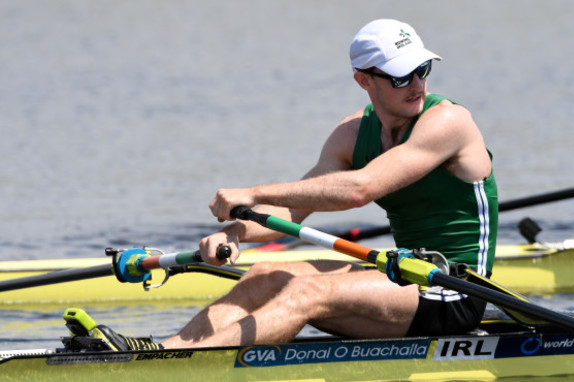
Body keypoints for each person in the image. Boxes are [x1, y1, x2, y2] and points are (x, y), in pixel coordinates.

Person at [88, 18, 498, 350]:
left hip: (455, 288)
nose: (417, 84)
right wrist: (231, 232)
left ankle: (178, 362)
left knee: (305, 292)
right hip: (405, 277)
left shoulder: (448, 121)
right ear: (364, 80)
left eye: (422, 69)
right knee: (265, 274)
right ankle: (162, 353)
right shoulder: (352, 135)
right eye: (400, 76)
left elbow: (360, 190)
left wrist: (255, 193)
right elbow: (289, 213)